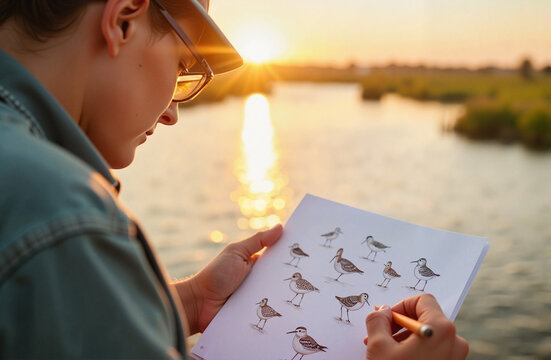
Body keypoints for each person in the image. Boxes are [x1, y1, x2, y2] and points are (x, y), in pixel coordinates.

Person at [0, 0, 468, 359]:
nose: (171, 113)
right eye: (184, 68)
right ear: (123, 18)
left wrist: (190, 300)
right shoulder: (63, 218)